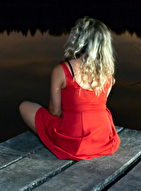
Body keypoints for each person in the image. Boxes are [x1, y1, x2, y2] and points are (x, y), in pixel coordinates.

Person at [19, 16, 121, 160]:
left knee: (24, 106)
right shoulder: (107, 73)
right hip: (103, 139)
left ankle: (50, 140)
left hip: (76, 143)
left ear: (79, 39)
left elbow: (55, 111)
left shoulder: (62, 70)